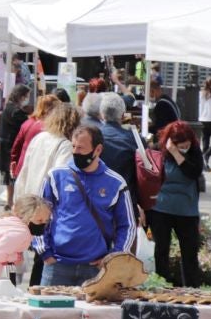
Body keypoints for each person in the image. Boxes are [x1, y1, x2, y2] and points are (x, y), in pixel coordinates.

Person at [35, 126, 136, 286]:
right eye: (73, 147)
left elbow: (128, 225)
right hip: (57, 266)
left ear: (98, 149)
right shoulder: (55, 176)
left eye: (81, 148)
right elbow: (36, 216)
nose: (76, 152)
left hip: (95, 269)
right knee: (50, 312)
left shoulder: (116, 183)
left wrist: (114, 256)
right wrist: (45, 252)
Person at [15, 102, 82, 285]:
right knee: (42, 255)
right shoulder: (66, 146)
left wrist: (18, 201)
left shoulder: (40, 138)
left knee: (24, 250)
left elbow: (25, 170)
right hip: (45, 208)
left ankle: (25, 290)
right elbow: (60, 179)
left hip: (29, 202)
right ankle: (35, 292)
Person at [151, 122, 205, 286]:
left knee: (190, 252)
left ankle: (192, 287)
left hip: (187, 210)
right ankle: (162, 284)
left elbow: (193, 172)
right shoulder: (158, 150)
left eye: (186, 145)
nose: (185, 148)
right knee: (161, 250)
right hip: (161, 208)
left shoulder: (195, 153)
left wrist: (177, 154)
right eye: (180, 146)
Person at [99, 92, 140, 206]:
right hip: (126, 200)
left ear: (101, 114)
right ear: (123, 116)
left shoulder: (92, 137)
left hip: (97, 199)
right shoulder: (134, 139)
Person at [10, 96, 56, 179]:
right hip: (39, 171)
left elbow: (16, 147)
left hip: (23, 168)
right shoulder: (51, 127)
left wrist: (14, 162)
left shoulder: (27, 123)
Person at [0, 85, 32, 189]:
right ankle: (10, 200)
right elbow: (26, 124)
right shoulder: (16, 111)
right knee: (12, 174)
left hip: (5, 144)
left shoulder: (8, 106)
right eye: (27, 96)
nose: (27, 99)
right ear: (21, 96)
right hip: (11, 145)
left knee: (8, 175)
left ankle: (8, 201)